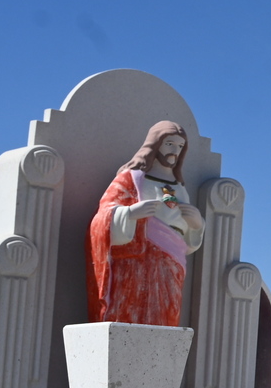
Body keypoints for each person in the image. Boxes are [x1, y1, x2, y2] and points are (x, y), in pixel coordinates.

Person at [86, 121, 205, 325]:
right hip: (137, 260)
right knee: (131, 311)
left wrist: (197, 225)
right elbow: (101, 218)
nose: (174, 151)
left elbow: (188, 241)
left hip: (172, 262)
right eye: (169, 144)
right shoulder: (131, 179)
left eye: (179, 146)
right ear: (155, 144)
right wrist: (129, 213)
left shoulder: (179, 187)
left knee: (166, 314)